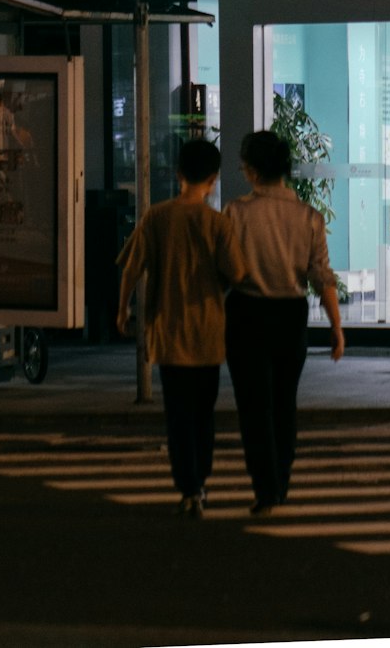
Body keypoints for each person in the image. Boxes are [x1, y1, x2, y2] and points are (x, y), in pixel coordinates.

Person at [116, 139, 246, 518]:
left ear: (178, 175)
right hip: (206, 334)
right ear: (213, 178)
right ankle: (200, 481)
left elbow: (131, 268)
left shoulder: (156, 217)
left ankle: (187, 486)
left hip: (168, 333)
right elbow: (237, 273)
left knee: (177, 415)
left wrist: (123, 310)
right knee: (203, 415)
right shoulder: (218, 224)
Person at [223, 130, 344, 516]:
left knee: (253, 405)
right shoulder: (309, 216)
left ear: (254, 171)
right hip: (291, 316)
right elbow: (321, 276)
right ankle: (282, 479)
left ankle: (266, 489)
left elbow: (222, 270)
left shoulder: (235, 213)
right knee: (283, 402)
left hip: (246, 313)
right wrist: (336, 328)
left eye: (244, 165)